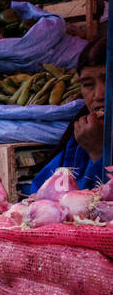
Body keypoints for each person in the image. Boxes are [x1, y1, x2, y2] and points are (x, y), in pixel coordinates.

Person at [24, 38, 108, 193]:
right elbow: (40, 190)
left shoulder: (93, 140)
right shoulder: (80, 141)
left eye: (110, 80)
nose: (98, 95)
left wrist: (99, 152)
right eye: (88, 85)